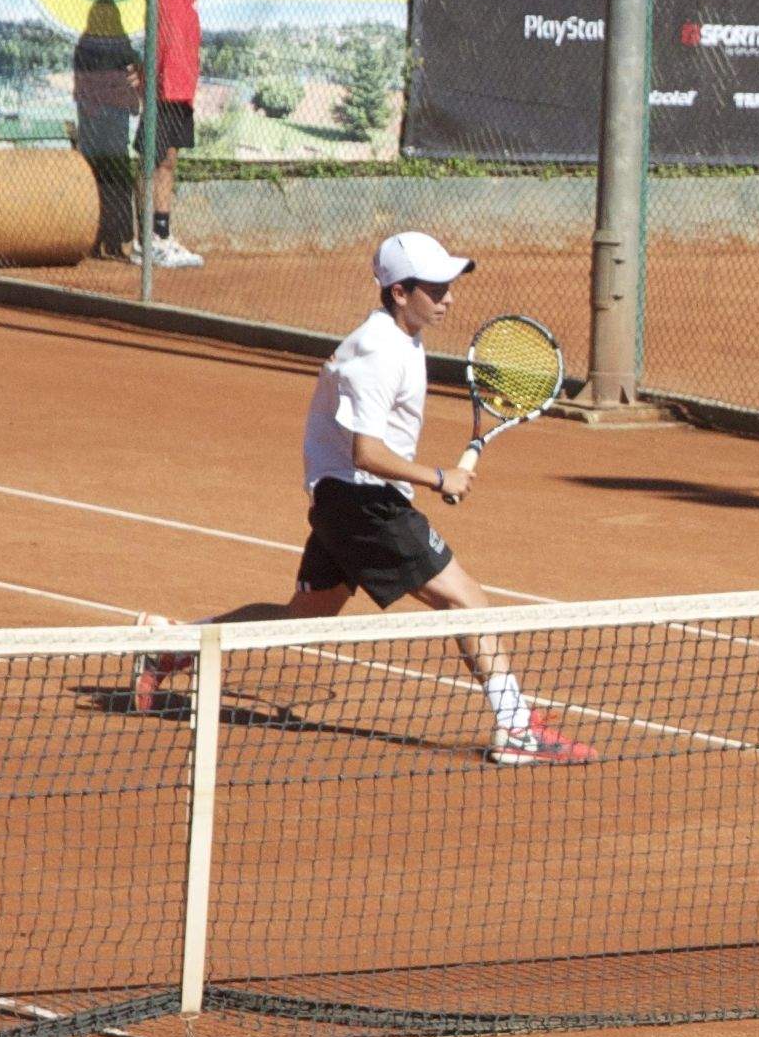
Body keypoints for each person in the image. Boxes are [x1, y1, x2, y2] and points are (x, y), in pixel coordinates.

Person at [132, 231, 592, 767]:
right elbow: (367, 452)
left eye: (450, 285)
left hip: (345, 500)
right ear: (400, 292)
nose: (449, 297)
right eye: (436, 287)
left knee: (301, 618)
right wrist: (438, 478)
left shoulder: (401, 338)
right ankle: (516, 730)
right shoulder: (376, 351)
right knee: (466, 599)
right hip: (360, 501)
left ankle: (176, 646)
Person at [147, 0, 205, 271]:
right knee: (154, 163)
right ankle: (151, 239)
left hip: (183, 88)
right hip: (162, 86)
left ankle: (161, 235)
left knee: (169, 162)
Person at [68, 0, 142, 260]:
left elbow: (126, 63)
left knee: (104, 171)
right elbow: (128, 62)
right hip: (106, 111)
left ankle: (109, 238)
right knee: (110, 171)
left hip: (101, 111)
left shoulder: (94, 37)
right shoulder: (108, 34)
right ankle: (108, 239)